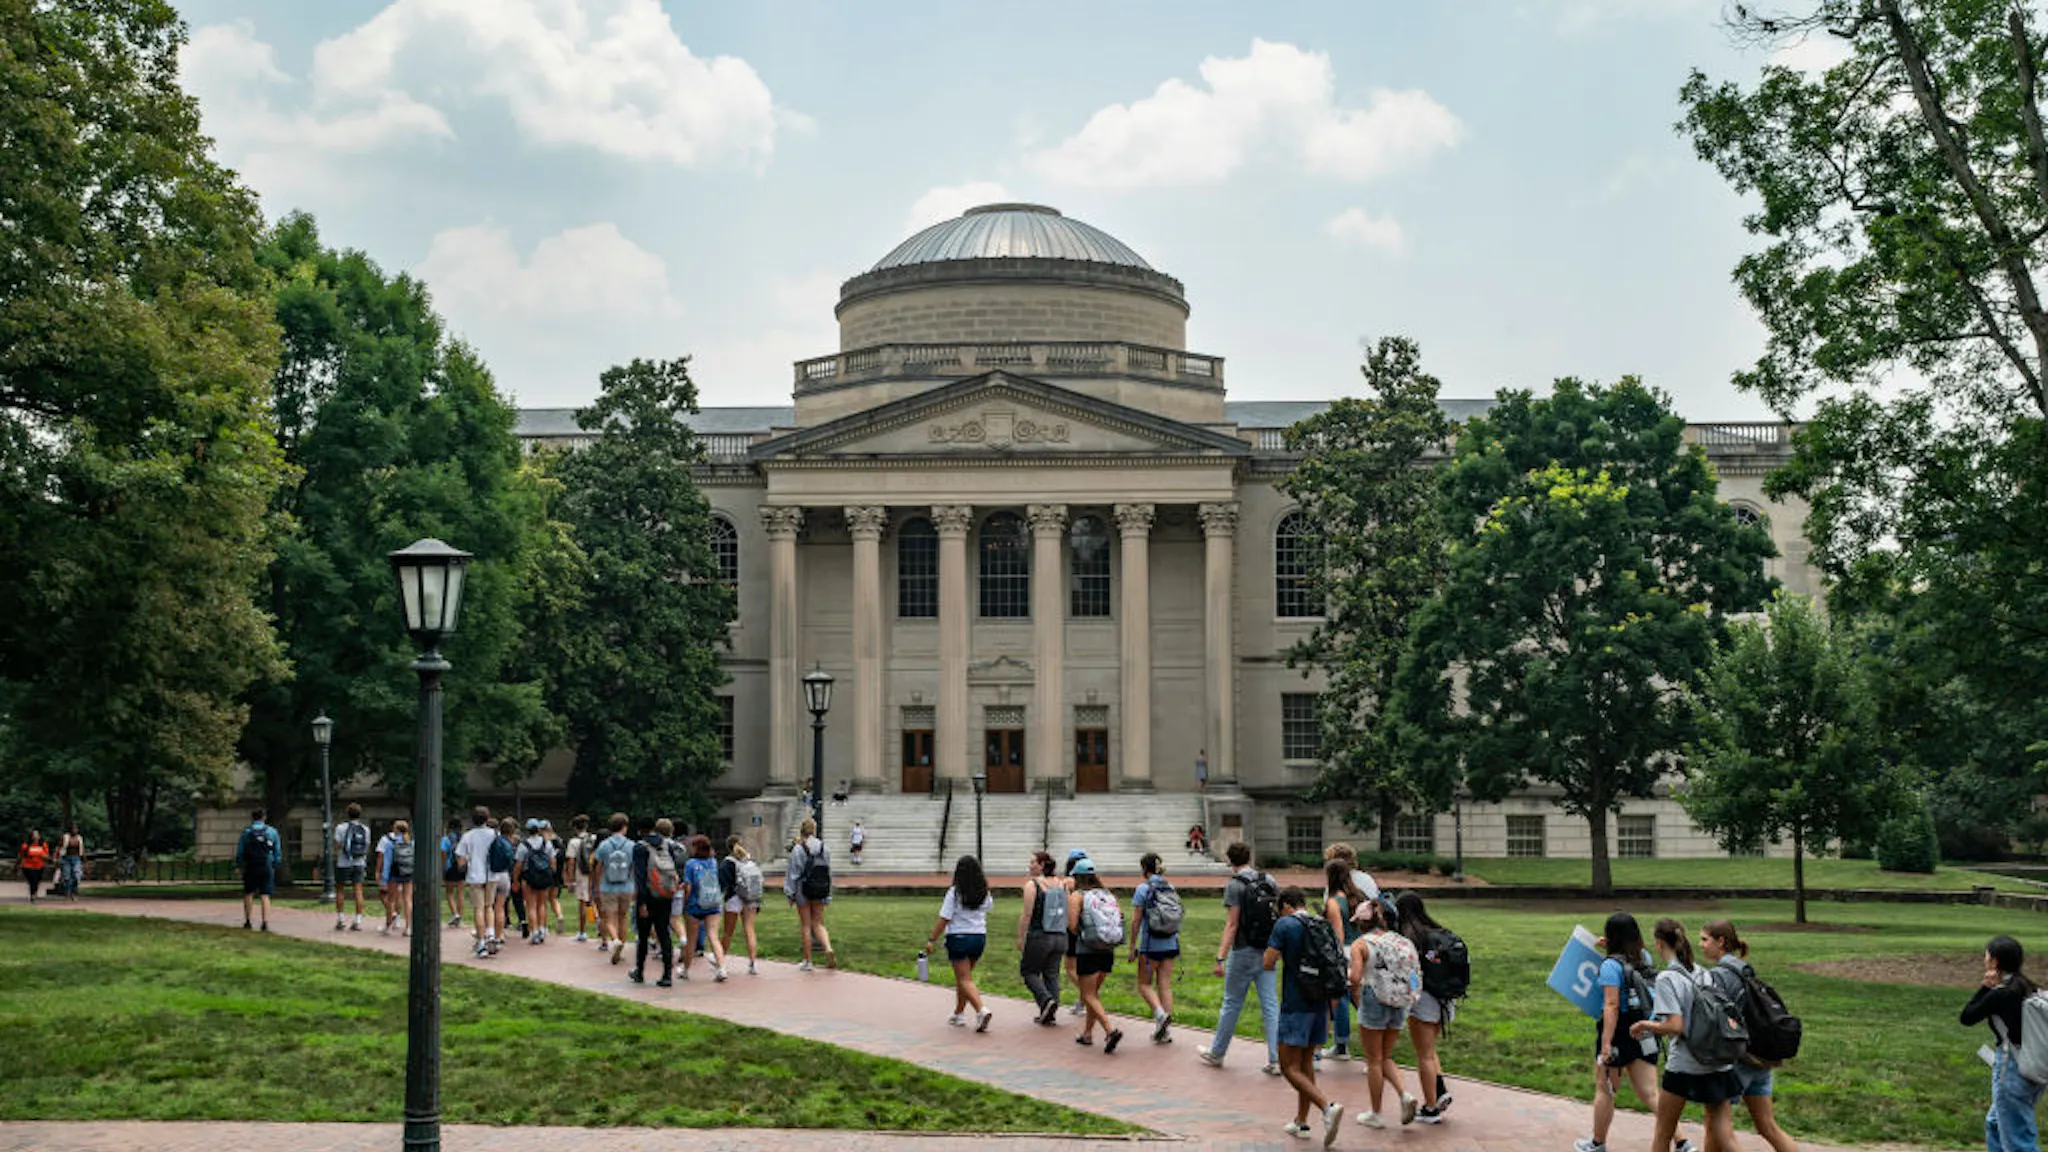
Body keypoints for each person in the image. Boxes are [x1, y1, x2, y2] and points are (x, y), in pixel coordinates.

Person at [1577, 912, 1696, 1152]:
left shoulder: (1610, 966)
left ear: (1612, 936)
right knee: (1651, 1093)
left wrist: (1606, 1043)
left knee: (1605, 1087)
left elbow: (1611, 1006)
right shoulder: (1644, 957)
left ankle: (1597, 1143)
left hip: (1619, 1031)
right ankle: (1682, 1142)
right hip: (1644, 1029)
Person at [1631, 918, 1742, 1152]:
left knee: (1663, 1132)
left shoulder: (1667, 979)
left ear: (1660, 944)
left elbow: (1675, 1026)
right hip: (1715, 1061)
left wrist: (1645, 1025)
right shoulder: (1703, 973)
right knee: (1725, 1134)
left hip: (1684, 1064)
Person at [1699, 921, 1797, 1152]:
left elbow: (1716, 1020)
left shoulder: (1719, 976)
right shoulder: (1745, 970)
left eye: (1705, 939)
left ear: (1720, 942)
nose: (1700, 945)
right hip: (1760, 1058)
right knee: (1768, 1126)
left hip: (1737, 1062)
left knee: (1714, 1123)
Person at [1267, 885, 1346, 1145]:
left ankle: (1327, 1107)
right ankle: (1302, 1122)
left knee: (1288, 1066)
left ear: (1286, 905)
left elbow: (1268, 962)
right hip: (1319, 1002)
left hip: (1296, 1002)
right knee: (1305, 1064)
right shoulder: (1320, 922)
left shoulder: (1285, 925)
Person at [1197, 840, 1281, 1075]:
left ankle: (1217, 1052)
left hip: (1244, 950)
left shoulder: (1235, 886)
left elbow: (1232, 924)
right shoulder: (1269, 880)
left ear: (1229, 860)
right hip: (1268, 951)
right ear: (1249, 856)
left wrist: (1220, 957)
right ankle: (1276, 1059)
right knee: (1271, 1004)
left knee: (1232, 1002)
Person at [1964, 934, 2043, 1152]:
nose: (1984, 960)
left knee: (2017, 1139)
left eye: (1986, 956)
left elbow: (1967, 1017)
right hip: (2034, 1066)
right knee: (1996, 1124)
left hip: (2012, 1068)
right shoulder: (2029, 988)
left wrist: (1985, 988)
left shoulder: (2001, 993)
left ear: (1995, 962)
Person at [1350, 892, 1419, 1128]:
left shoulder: (1361, 944)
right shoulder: (1399, 941)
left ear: (1361, 923)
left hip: (1373, 999)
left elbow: (1356, 978)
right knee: (1385, 1055)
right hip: (1400, 1000)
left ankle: (1376, 1113)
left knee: (1374, 1060)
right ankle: (1404, 1095)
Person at [1396, 892, 1458, 1123]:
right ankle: (1439, 1092)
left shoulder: (1411, 938)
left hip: (1425, 1002)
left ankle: (1430, 1108)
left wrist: (1411, 996)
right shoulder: (1439, 931)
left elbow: (1412, 973)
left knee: (1423, 1056)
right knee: (1430, 1052)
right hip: (1445, 1000)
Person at [926, 854, 995, 1031]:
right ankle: (958, 1014)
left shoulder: (955, 892)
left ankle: (981, 1010)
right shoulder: (984, 892)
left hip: (958, 937)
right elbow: (988, 908)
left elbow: (944, 918)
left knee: (964, 978)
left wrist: (932, 939)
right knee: (965, 978)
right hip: (979, 937)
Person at [1067, 857, 1122, 1052]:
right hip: (1108, 949)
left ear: (1078, 877)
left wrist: (1083, 933)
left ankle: (1110, 1030)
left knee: (1087, 994)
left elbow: (1072, 925)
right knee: (1093, 995)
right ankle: (1087, 1034)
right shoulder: (1108, 894)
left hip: (1088, 950)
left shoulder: (1077, 896)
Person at [1130, 852, 1180, 1044]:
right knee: (1165, 985)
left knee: (1144, 984)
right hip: (1171, 942)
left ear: (1144, 868)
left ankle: (1160, 1015)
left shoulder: (1143, 889)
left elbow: (1136, 921)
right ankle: (1165, 1031)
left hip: (1151, 945)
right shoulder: (1170, 887)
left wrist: (1133, 945)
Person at [1320, 859, 1366, 1062]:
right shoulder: (1357, 897)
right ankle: (1374, 1052)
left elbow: (1337, 935)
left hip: (1345, 953)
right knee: (1361, 1000)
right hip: (1363, 949)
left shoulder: (1333, 902)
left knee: (1340, 1000)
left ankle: (1341, 1044)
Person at [1017, 850, 1067, 1025]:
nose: (1030, 865)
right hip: (1060, 936)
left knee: (1028, 972)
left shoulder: (1033, 885)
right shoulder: (1062, 885)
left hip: (1040, 935)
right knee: (1051, 974)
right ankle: (1050, 1013)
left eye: (1033, 862)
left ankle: (1046, 1001)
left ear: (1042, 865)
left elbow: (1027, 914)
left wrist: (1020, 937)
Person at [630, 817, 682, 987]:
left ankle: (640, 971)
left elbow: (640, 877)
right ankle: (667, 975)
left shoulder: (640, 847)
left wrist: (642, 902)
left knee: (644, 936)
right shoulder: (667, 845)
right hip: (666, 895)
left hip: (648, 896)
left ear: (639, 830)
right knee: (664, 933)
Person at [784, 817, 838, 971]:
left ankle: (808, 961)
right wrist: (828, 893)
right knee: (819, 923)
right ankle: (828, 948)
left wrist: (790, 893)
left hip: (803, 889)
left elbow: (793, 873)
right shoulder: (823, 847)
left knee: (806, 925)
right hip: (820, 888)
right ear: (814, 830)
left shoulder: (798, 848)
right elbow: (828, 871)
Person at [679, 834, 729, 981]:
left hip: (695, 904)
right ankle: (721, 968)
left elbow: (688, 886)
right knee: (713, 936)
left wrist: (684, 903)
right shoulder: (713, 862)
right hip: (713, 902)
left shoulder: (690, 864)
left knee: (691, 940)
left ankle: (686, 970)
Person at [454, 806, 501, 958]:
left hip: (475, 876)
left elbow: (460, 859)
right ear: (487, 819)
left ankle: (481, 943)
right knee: (489, 907)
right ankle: (491, 935)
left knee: (478, 909)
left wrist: (465, 863)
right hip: (492, 875)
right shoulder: (495, 834)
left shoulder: (468, 836)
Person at [591, 812, 635, 963]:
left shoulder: (604, 845)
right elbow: (634, 868)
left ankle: (614, 939)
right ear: (624, 827)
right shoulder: (631, 845)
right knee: (623, 917)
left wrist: (597, 885)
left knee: (610, 918)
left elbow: (598, 867)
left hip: (608, 886)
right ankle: (620, 946)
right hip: (627, 886)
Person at [719, 837, 763, 975]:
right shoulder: (749, 860)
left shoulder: (727, 862)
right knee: (749, 929)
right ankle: (753, 963)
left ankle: (720, 959)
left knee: (728, 932)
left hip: (734, 898)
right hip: (751, 898)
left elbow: (722, 883)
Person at [235, 808, 280, 931]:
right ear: (264, 817)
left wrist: (239, 865)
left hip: (251, 865)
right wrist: (275, 864)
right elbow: (277, 851)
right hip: (266, 865)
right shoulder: (272, 831)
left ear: (252, 818)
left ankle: (248, 921)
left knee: (248, 893)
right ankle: (265, 922)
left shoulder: (247, 832)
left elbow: (240, 851)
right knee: (265, 894)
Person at [514, 819, 557, 945]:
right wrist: (551, 873)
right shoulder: (546, 843)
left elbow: (518, 864)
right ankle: (543, 929)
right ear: (538, 830)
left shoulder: (523, 845)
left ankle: (534, 932)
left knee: (531, 906)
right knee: (542, 904)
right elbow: (553, 860)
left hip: (529, 878)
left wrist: (515, 879)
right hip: (544, 876)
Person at [332, 802, 370, 931]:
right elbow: (366, 846)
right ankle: (358, 920)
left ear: (347, 814)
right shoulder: (365, 829)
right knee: (358, 890)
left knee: (340, 889)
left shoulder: (341, 828)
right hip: (359, 862)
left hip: (343, 862)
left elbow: (337, 846)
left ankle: (341, 919)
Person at [378, 820, 414, 935]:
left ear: (396, 830)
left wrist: (384, 878)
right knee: (408, 900)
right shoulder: (411, 843)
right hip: (408, 873)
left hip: (394, 873)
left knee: (391, 900)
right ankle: (408, 927)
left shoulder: (390, 843)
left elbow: (387, 862)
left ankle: (388, 926)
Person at [563, 814, 595, 942]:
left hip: (581, 874)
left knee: (582, 902)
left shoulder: (574, 842)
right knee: (591, 901)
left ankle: (582, 931)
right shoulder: (594, 838)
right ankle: (596, 924)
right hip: (594, 874)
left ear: (575, 828)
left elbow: (571, 862)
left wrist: (570, 880)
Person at [373, 820, 404, 934]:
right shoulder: (407, 839)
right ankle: (397, 919)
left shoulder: (385, 839)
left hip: (389, 871)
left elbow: (380, 856)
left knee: (385, 895)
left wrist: (377, 871)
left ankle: (390, 918)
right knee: (399, 894)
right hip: (403, 870)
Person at [439, 818, 466, 928]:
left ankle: (454, 914)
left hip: (450, 867)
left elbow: (443, 853)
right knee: (460, 893)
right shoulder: (464, 838)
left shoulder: (446, 839)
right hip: (462, 867)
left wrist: (443, 867)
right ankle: (460, 916)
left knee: (449, 892)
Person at [17, 829, 50, 903]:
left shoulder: (43, 845)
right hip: (28, 866)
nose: (35, 837)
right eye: (34, 835)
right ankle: (32, 895)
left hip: (39, 866)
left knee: (37, 881)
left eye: (37, 835)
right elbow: (21, 856)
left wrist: (43, 855)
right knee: (32, 880)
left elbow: (47, 856)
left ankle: (34, 892)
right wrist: (17, 866)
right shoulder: (26, 846)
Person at [58, 824, 84, 901]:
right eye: (73, 829)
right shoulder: (66, 837)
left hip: (76, 858)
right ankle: (68, 892)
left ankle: (74, 891)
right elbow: (60, 846)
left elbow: (82, 849)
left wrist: (84, 860)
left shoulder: (79, 838)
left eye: (76, 829)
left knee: (76, 875)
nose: (75, 831)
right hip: (66, 858)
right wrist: (58, 857)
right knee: (67, 876)